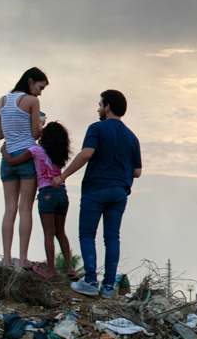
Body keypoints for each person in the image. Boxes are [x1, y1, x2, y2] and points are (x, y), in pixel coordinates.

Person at [53, 89, 142, 297]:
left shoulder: (97, 128)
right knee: (112, 238)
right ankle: (109, 286)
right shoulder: (132, 137)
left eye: (100, 105)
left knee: (87, 234)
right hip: (119, 191)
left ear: (108, 107)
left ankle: (91, 281)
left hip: (96, 189)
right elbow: (137, 172)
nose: (98, 108)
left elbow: (86, 153)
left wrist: (63, 176)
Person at [1, 121, 80, 281]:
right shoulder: (58, 154)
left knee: (48, 234)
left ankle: (50, 270)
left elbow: (12, 162)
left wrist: (4, 151)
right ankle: (70, 268)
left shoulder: (36, 150)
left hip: (46, 194)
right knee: (60, 232)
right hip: (62, 193)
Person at [0, 67, 48, 269]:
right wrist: (41, 123)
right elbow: (35, 133)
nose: (40, 92)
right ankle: (23, 258)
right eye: (40, 87)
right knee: (25, 209)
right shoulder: (32, 102)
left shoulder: (2, 100)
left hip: (7, 157)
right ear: (31, 81)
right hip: (26, 157)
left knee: (9, 210)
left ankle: (7, 259)